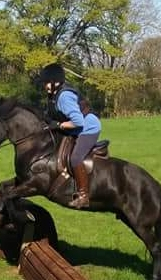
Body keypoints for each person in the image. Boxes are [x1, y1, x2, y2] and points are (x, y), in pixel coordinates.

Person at [39, 63, 102, 209]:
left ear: (55, 82)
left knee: (75, 158)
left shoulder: (64, 97)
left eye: (46, 83)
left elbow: (78, 122)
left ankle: (83, 196)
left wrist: (59, 125)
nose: (44, 86)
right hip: (74, 130)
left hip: (88, 128)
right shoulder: (54, 95)